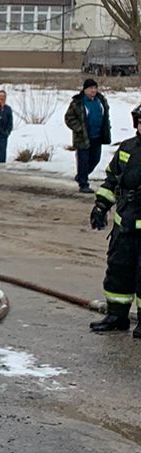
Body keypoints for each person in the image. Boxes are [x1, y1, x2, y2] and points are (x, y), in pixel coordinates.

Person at [88, 103, 141, 334]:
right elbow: (111, 180)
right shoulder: (127, 148)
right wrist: (100, 206)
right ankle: (117, 316)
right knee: (118, 271)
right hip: (124, 226)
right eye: (140, 121)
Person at [65, 78, 112, 193]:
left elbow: (105, 116)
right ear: (85, 89)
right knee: (83, 160)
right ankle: (83, 184)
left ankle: (82, 175)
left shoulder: (100, 101)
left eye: (95, 88)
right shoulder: (78, 103)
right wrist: (79, 129)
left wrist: (107, 127)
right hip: (83, 137)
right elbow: (69, 118)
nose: (93, 90)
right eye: (91, 88)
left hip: (97, 136)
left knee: (95, 159)